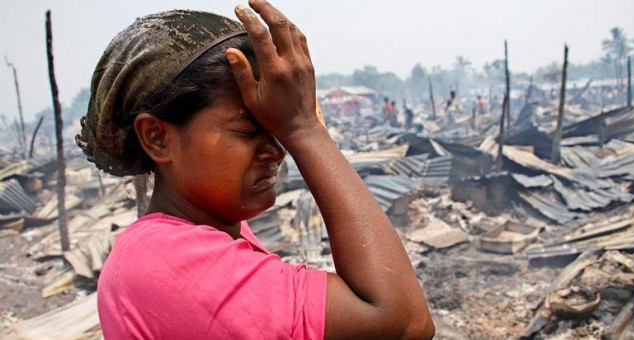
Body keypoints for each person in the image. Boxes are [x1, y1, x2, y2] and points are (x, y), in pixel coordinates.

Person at [76, 1, 434, 339]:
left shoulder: (213, 233)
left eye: (276, 129)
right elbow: (401, 323)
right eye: (248, 130)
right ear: (157, 137)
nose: (277, 150)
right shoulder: (166, 259)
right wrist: (304, 129)